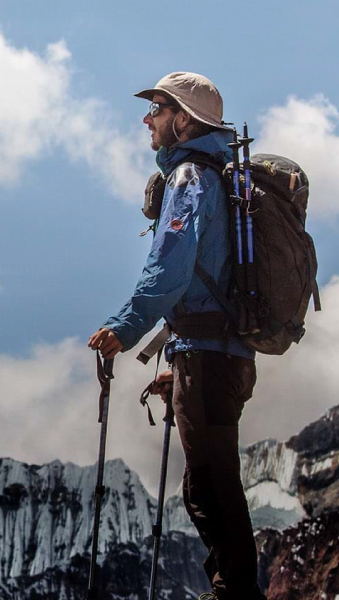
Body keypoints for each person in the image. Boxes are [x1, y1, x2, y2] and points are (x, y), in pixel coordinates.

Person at [87, 72, 265, 600]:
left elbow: (170, 268)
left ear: (183, 119)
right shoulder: (223, 178)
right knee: (205, 480)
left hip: (208, 357)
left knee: (211, 482)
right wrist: (178, 361)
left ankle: (236, 591)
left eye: (158, 108)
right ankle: (232, 587)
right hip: (221, 354)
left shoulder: (190, 177)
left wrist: (123, 327)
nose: (148, 118)